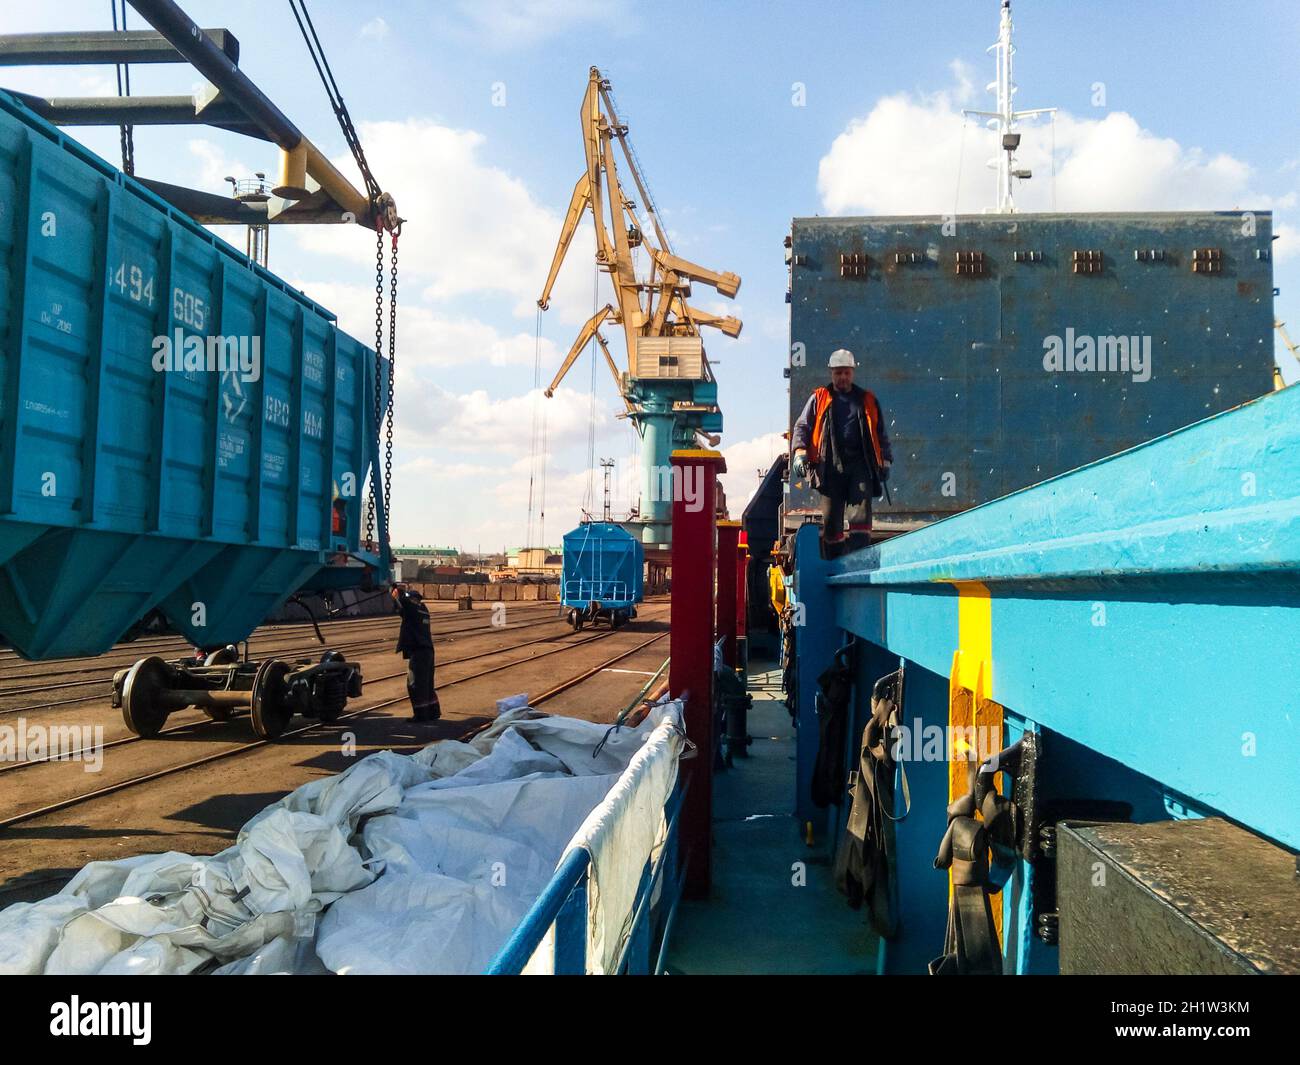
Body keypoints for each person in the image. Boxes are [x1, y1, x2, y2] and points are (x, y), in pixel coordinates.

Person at [790, 348, 892, 557]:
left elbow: (880, 433)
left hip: (860, 466)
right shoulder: (819, 398)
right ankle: (835, 565)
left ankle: (858, 563)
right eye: (838, 373)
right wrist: (799, 451)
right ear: (831, 373)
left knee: (861, 517)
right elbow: (802, 426)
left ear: (852, 373)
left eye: (846, 372)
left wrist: (886, 460)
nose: (843, 377)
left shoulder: (867, 400)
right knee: (832, 521)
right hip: (829, 467)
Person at [392, 583, 440, 722]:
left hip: (419, 651)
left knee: (415, 684)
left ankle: (420, 715)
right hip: (427, 651)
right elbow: (403, 610)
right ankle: (433, 712)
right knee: (427, 684)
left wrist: (397, 591)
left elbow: (404, 605)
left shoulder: (413, 609)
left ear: (412, 600)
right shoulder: (423, 609)